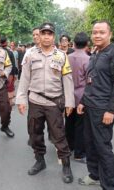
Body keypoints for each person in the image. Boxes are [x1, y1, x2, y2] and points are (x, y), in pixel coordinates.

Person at [16, 22, 75, 183]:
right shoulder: (30, 55)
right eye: (44, 33)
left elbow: (68, 80)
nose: (46, 36)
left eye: (50, 34)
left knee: (59, 136)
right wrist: (21, 99)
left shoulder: (61, 56)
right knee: (34, 133)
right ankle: (40, 160)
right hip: (35, 100)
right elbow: (24, 78)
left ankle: (66, 165)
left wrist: (70, 102)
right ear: (39, 35)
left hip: (54, 103)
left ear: (53, 36)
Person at [77, 20, 114, 190]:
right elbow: (92, 81)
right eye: (95, 32)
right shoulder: (96, 53)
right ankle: (94, 175)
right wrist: (83, 101)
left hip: (103, 108)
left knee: (103, 148)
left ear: (110, 34)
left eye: (102, 32)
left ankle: (110, 185)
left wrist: (111, 110)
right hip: (90, 105)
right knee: (89, 143)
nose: (97, 35)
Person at [65, 32, 90, 163]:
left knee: (68, 122)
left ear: (73, 44)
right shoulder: (88, 60)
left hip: (68, 95)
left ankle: (68, 147)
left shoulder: (66, 57)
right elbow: (89, 81)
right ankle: (79, 153)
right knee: (81, 126)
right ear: (87, 44)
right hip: (82, 96)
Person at [0, 37, 17, 106]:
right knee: (9, 86)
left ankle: (2, 101)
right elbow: (13, 65)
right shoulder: (10, 52)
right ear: (6, 43)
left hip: (0, 73)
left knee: (1, 87)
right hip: (9, 73)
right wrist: (14, 74)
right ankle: (10, 101)